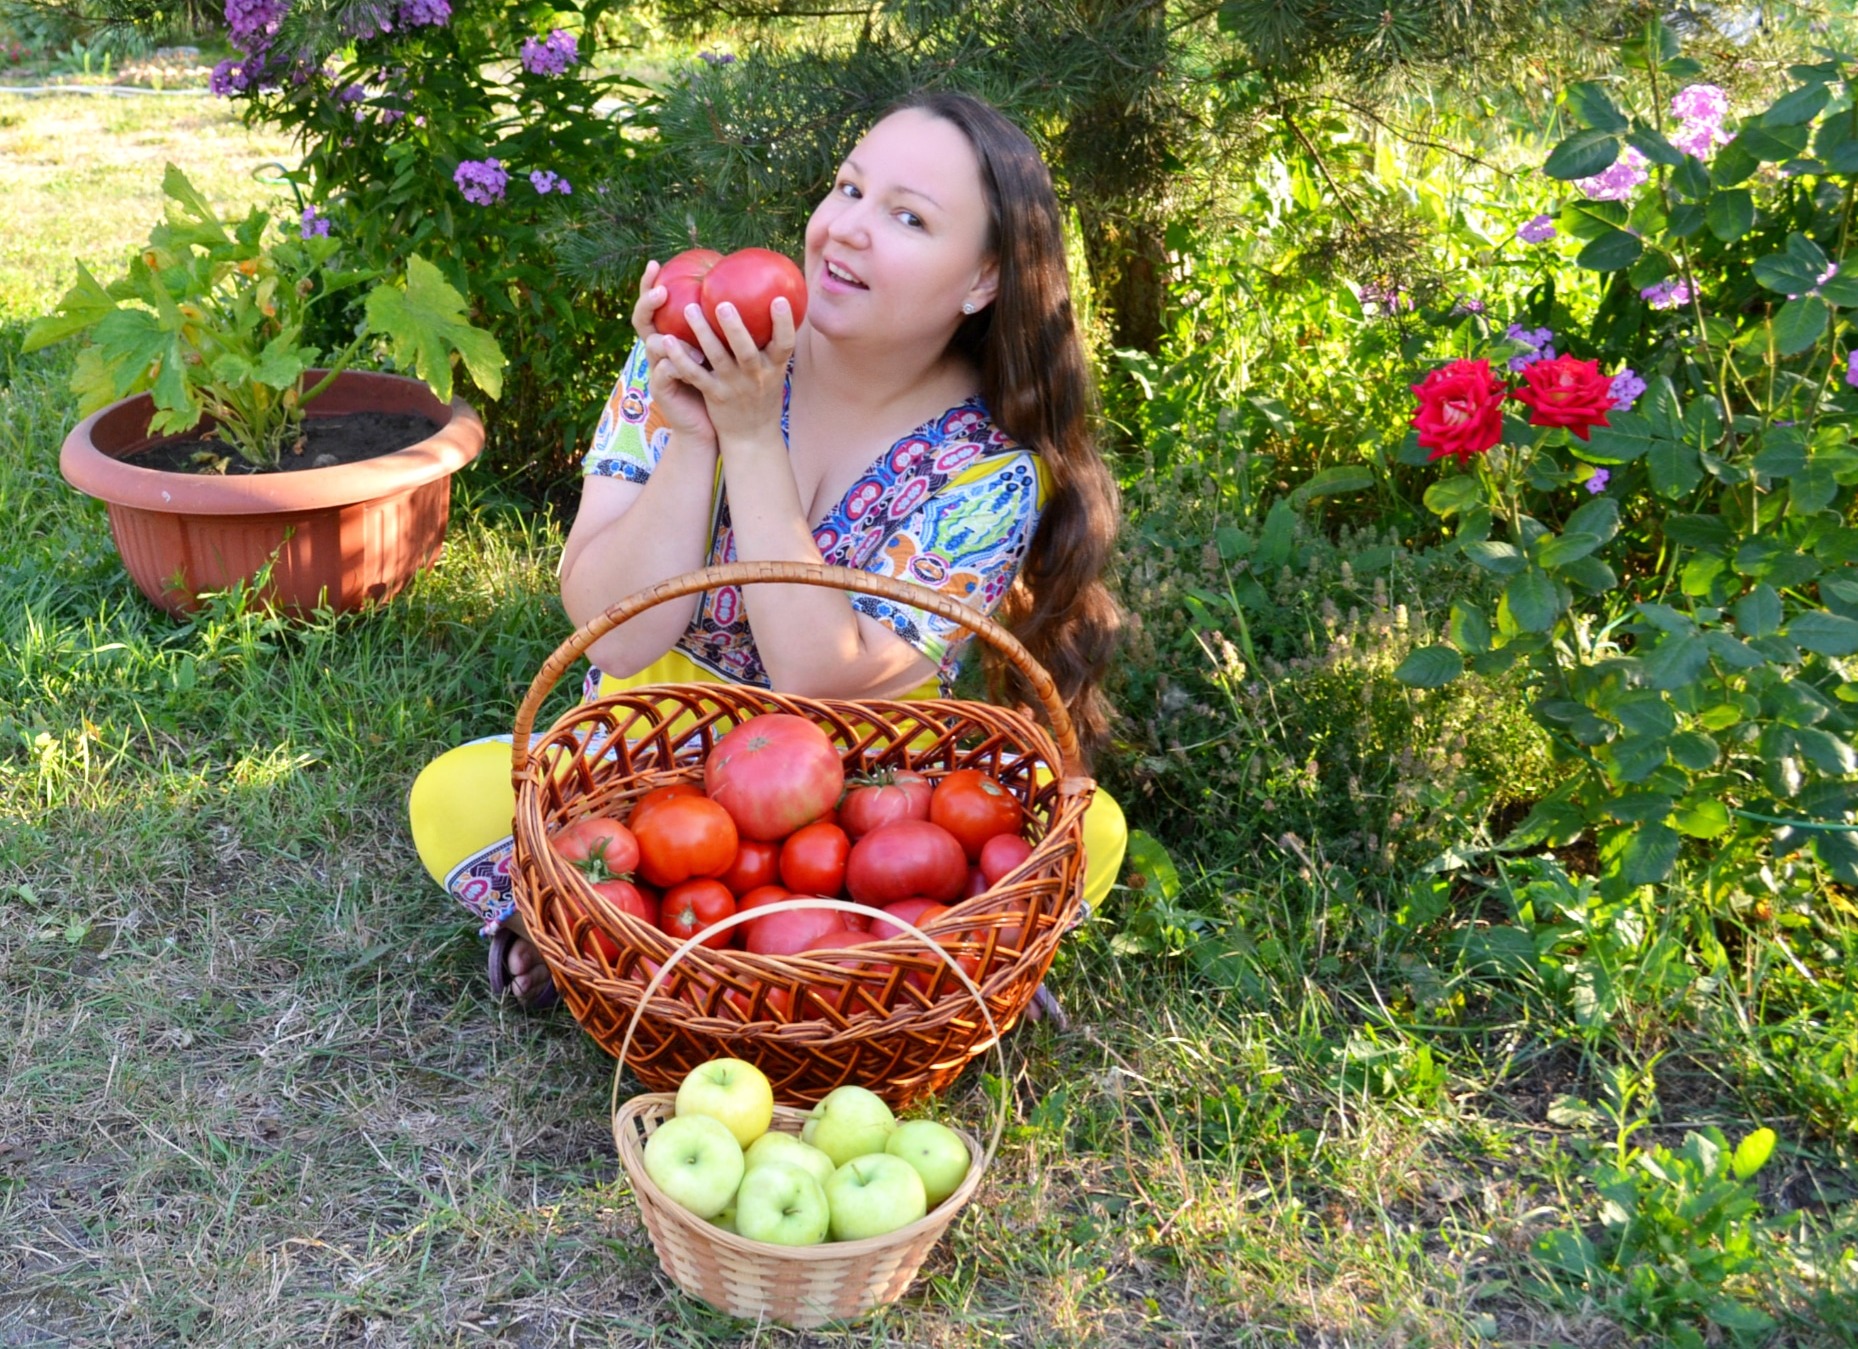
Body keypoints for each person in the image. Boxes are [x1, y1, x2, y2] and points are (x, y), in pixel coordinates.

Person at [408, 90, 1127, 1009]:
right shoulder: (703, 340)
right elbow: (616, 639)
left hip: (849, 806)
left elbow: (817, 679)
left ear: (983, 280)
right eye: (849, 188)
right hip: (644, 767)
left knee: (1085, 832)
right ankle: (871, 967)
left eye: (908, 217)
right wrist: (699, 433)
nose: (849, 230)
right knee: (456, 794)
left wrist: (754, 440)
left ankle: (610, 933)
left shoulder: (986, 472)